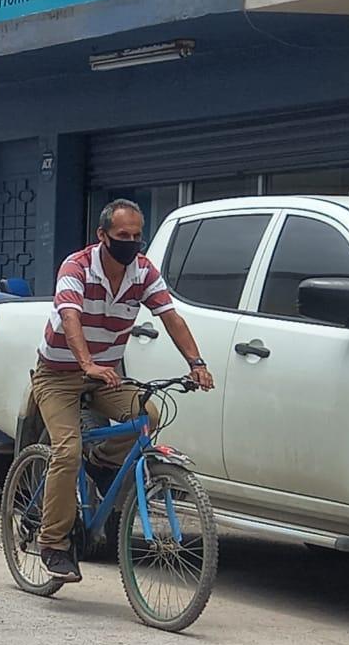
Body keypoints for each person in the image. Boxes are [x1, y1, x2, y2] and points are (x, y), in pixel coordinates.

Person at [33, 199, 214, 582]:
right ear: (102, 236)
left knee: (147, 415)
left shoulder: (143, 272)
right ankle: (53, 544)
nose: (131, 243)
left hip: (106, 376)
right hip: (59, 374)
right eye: (122, 236)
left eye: (136, 236)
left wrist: (196, 363)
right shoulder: (77, 266)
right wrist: (85, 363)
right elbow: (70, 317)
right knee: (66, 450)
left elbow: (170, 316)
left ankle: (102, 463)